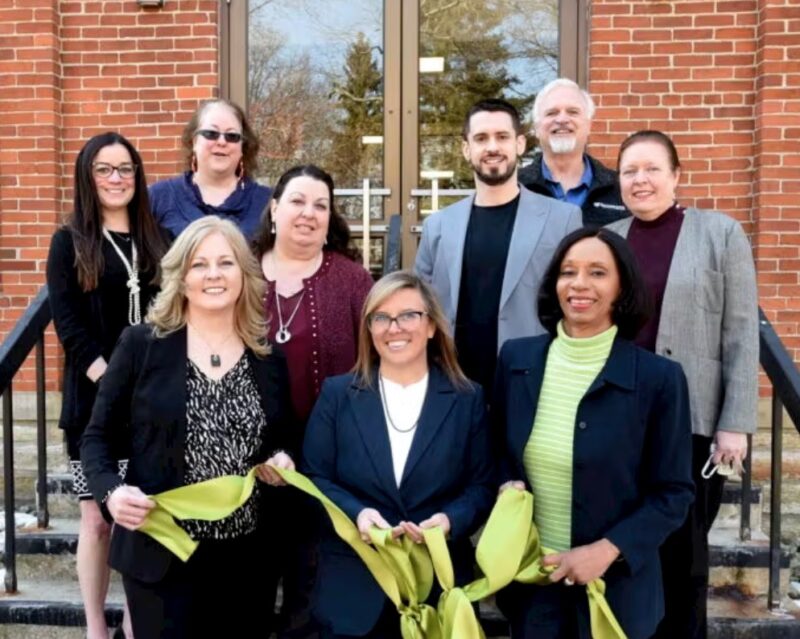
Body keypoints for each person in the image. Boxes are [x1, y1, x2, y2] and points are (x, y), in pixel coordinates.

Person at [81, 216, 293, 639]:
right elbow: (96, 438)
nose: (213, 274)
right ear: (181, 278)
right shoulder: (141, 345)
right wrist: (112, 491)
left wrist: (284, 458)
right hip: (163, 554)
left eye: (225, 263)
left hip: (246, 562)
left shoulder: (268, 360)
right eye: (199, 264)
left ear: (244, 275)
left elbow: (284, 438)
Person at [493, 227, 695, 639]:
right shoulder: (516, 359)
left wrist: (607, 550)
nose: (579, 284)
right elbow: (495, 450)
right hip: (533, 585)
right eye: (568, 272)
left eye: (598, 272)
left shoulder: (659, 379)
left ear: (622, 289)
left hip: (616, 593)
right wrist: (502, 486)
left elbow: (674, 493)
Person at [607, 130, 759, 639]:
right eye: (629, 171)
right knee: (626, 548)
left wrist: (734, 423)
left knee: (685, 556)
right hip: (620, 423)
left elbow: (740, 331)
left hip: (692, 423)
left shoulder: (720, 233)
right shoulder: (609, 239)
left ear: (676, 176)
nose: (640, 180)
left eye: (652, 169)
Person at [303, 271, 494, 639]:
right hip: (353, 590)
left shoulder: (467, 398)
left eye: (409, 315)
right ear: (369, 329)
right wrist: (358, 515)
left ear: (432, 326)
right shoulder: (339, 395)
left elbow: (482, 485)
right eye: (381, 317)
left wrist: (448, 521)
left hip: (437, 588)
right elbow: (314, 478)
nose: (395, 328)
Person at [46, 131, 168, 639]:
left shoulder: (157, 239)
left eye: (125, 169)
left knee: (140, 521)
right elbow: (69, 326)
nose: (116, 179)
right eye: (105, 169)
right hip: (93, 407)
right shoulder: (70, 240)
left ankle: (137, 624)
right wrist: (112, 383)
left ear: (137, 178)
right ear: (87, 177)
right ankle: (97, 627)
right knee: (97, 519)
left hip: (148, 406)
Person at [252, 164, 374, 637]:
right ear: (275, 209)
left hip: (328, 460)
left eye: (320, 205)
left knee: (311, 584)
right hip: (250, 458)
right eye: (298, 202)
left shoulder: (352, 280)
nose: (309, 213)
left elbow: (374, 362)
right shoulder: (240, 268)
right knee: (250, 585)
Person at [415, 98, 582, 395]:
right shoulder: (437, 227)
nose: (492, 147)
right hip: (453, 386)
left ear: (520, 144)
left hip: (533, 385)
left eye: (502, 137)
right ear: (467, 149)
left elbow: (575, 304)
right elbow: (420, 306)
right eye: (481, 138)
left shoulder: (563, 219)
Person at [149, 98, 271, 240]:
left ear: (242, 147)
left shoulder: (267, 203)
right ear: (194, 141)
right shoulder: (159, 198)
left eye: (232, 136)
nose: (222, 142)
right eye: (211, 134)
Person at [518, 78, 629, 227]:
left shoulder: (621, 188)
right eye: (552, 113)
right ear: (537, 128)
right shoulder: (515, 187)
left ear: (589, 125)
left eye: (573, 112)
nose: (562, 119)